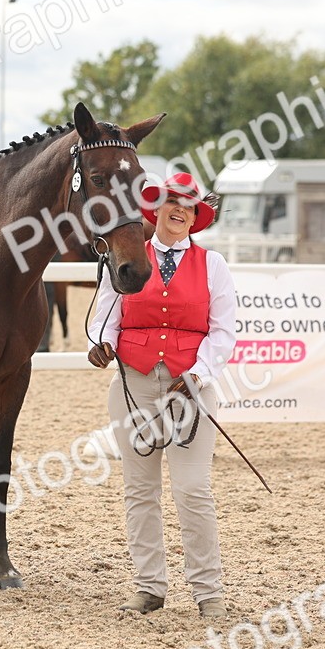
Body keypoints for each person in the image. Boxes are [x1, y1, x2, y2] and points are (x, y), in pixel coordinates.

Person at [87, 173, 235, 620]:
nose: (179, 211)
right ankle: (149, 586)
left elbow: (224, 332)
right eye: (173, 203)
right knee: (140, 490)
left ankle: (209, 591)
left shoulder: (214, 266)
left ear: (195, 216)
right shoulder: (129, 258)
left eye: (188, 207)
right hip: (134, 384)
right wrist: (101, 342)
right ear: (158, 209)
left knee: (193, 490)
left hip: (189, 389)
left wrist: (197, 375)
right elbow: (106, 314)